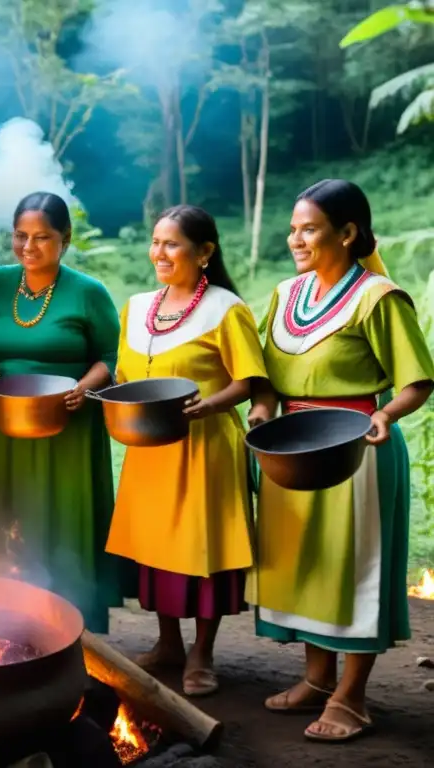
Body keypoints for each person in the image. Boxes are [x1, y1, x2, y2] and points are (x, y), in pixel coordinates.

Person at [249, 179, 434, 742]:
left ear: (348, 233)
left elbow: (417, 381)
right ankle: (317, 678)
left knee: (354, 568)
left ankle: (352, 698)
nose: (295, 239)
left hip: (357, 448)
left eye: (309, 228)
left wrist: (387, 416)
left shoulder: (378, 297)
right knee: (306, 565)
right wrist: (261, 409)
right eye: (293, 229)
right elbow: (265, 374)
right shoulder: (285, 295)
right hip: (291, 450)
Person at [104, 205, 269, 697]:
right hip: (149, 450)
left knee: (202, 549)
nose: (159, 252)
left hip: (204, 449)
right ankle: (168, 643)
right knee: (156, 549)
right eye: (156, 242)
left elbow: (250, 381)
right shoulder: (135, 307)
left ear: (205, 253)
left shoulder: (225, 308)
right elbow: (126, 377)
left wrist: (208, 405)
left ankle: (202, 653)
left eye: (171, 244)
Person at [0, 191, 131, 633]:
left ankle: (65, 620)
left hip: (65, 424)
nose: (29, 247)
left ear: (65, 239)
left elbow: (113, 357)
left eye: (42, 237)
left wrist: (85, 386)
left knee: (57, 519)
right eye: (20, 236)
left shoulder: (88, 293)